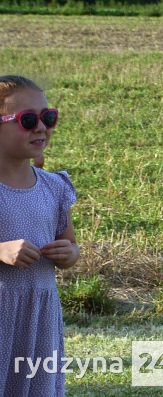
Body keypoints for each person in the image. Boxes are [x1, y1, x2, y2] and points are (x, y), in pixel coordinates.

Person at [0, 75, 79, 397]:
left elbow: (71, 245)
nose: (41, 127)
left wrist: (68, 254)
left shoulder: (54, 186)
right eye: (27, 119)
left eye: (48, 117)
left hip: (40, 313)